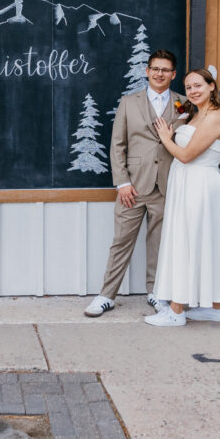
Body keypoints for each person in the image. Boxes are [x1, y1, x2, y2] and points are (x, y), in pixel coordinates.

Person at [84, 49, 185, 317]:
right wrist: (122, 183)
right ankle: (106, 295)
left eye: (165, 70)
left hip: (166, 184)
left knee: (160, 243)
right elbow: (117, 144)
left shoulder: (183, 104)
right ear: (147, 71)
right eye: (155, 69)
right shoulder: (129, 102)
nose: (160, 74)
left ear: (173, 74)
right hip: (133, 187)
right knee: (121, 241)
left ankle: (156, 293)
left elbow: (193, 137)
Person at [144, 66, 220, 327]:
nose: (192, 91)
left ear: (212, 86)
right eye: (188, 87)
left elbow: (186, 155)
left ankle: (176, 311)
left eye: (198, 85)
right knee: (202, 241)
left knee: (187, 240)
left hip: (199, 185)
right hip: (189, 183)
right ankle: (215, 308)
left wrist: (166, 137)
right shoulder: (198, 114)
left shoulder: (214, 117)